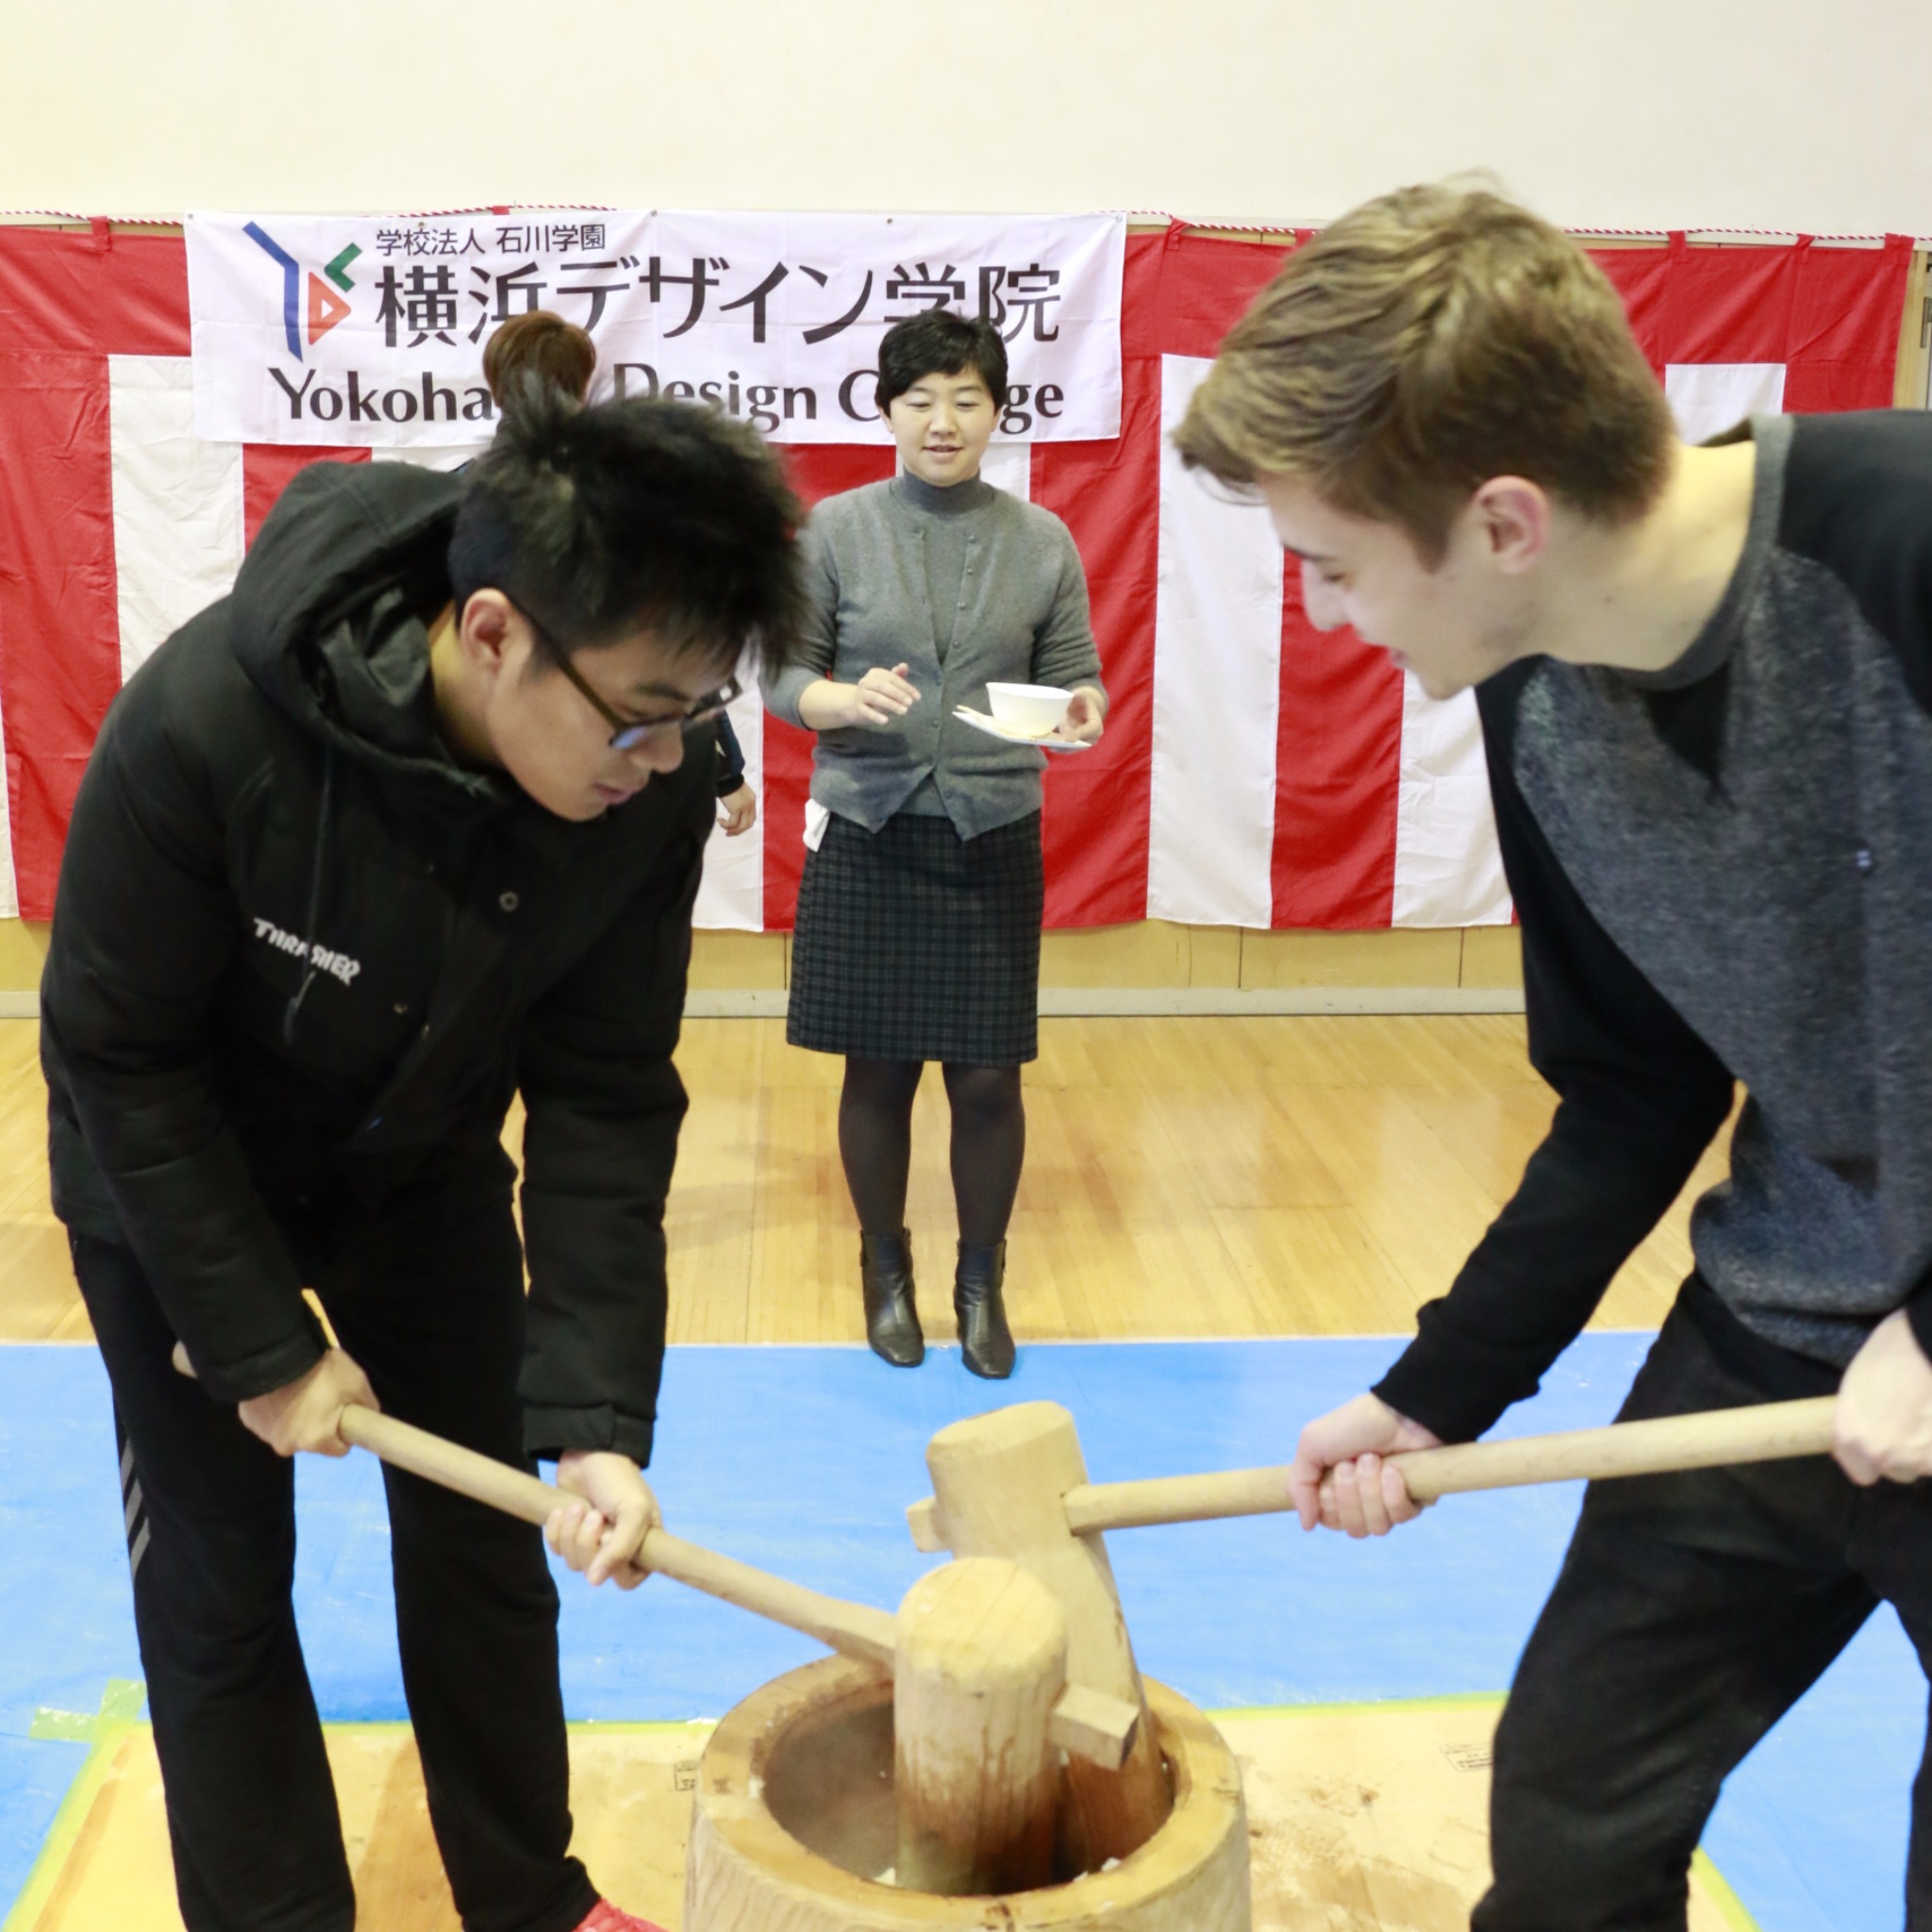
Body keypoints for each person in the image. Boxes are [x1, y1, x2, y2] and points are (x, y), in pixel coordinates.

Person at [1175, 182, 1932, 1930]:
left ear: (1500, 518)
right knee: (1570, 1810)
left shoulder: (1901, 546)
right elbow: (1634, 1087)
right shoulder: (1533, 695)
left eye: (1333, 566)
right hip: (1784, 1320)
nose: (1324, 619)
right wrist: (1435, 1384)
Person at [41, 387, 803, 1932]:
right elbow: (118, 1053)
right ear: (496, 630)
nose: (666, 759)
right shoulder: (209, 720)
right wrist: (258, 1342)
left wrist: (591, 1417)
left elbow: (601, 1093)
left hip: (418, 1165)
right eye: (642, 710)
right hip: (175, 1183)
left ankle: (530, 1900)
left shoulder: (640, 792)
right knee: (216, 1582)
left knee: (492, 1536)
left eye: (694, 711)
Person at [766, 309, 1106, 1378]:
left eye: (965, 399)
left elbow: (1074, 674)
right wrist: (838, 695)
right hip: (868, 826)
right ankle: (884, 1274)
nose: (942, 421)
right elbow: (782, 676)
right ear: (886, 412)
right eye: (919, 400)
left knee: (988, 1080)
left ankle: (980, 1284)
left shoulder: (1040, 539)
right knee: (876, 1071)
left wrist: (1081, 709)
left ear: (998, 412)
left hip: (989, 828)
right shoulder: (833, 528)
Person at [484, 308, 758, 836]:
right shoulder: (629, 501)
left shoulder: (455, 496)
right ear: (582, 387)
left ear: (496, 386)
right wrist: (727, 771)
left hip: (493, 760)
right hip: (611, 761)